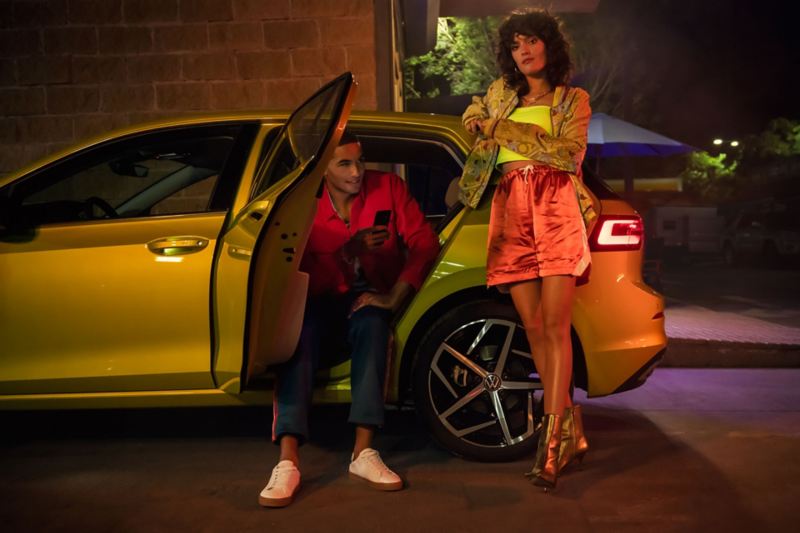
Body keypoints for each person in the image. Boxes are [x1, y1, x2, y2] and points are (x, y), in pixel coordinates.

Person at [259, 131, 440, 507]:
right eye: (344, 163)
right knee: (299, 332)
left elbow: (425, 241)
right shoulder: (303, 203)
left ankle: (364, 452)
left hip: (367, 297)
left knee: (373, 324)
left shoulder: (387, 186)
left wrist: (395, 294)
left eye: (360, 160)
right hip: (317, 299)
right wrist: (348, 252)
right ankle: (288, 460)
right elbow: (298, 271)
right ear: (322, 170)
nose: (357, 171)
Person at [459, 8, 595, 491]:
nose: (524, 50)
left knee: (557, 328)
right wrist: (481, 119)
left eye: (533, 40)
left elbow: (567, 154)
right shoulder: (501, 97)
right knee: (534, 327)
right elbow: (473, 113)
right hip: (511, 208)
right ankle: (571, 431)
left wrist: (503, 131)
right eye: (516, 44)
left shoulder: (571, 99)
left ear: (549, 46)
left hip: (557, 205)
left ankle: (551, 441)